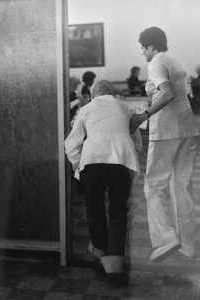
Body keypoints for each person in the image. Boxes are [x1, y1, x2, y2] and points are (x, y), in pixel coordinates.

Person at [130, 26, 200, 262]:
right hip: (188, 128)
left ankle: (165, 239)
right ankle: (188, 246)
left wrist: (144, 115)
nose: (142, 53)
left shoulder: (156, 62)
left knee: (154, 185)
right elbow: (182, 95)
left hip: (167, 130)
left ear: (151, 45)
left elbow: (167, 93)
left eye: (142, 47)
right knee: (182, 186)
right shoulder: (176, 61)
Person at [65, 80, 142, 285]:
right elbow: (137, 142)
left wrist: (76, 166)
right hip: (121, 161)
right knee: (118, 211)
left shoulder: (86, 108)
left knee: (95, 210)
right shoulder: (124, 107)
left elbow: (72, 143)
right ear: (111, 93)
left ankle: (100, 255)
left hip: (92, 161)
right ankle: (115, 266)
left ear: (94, 94)